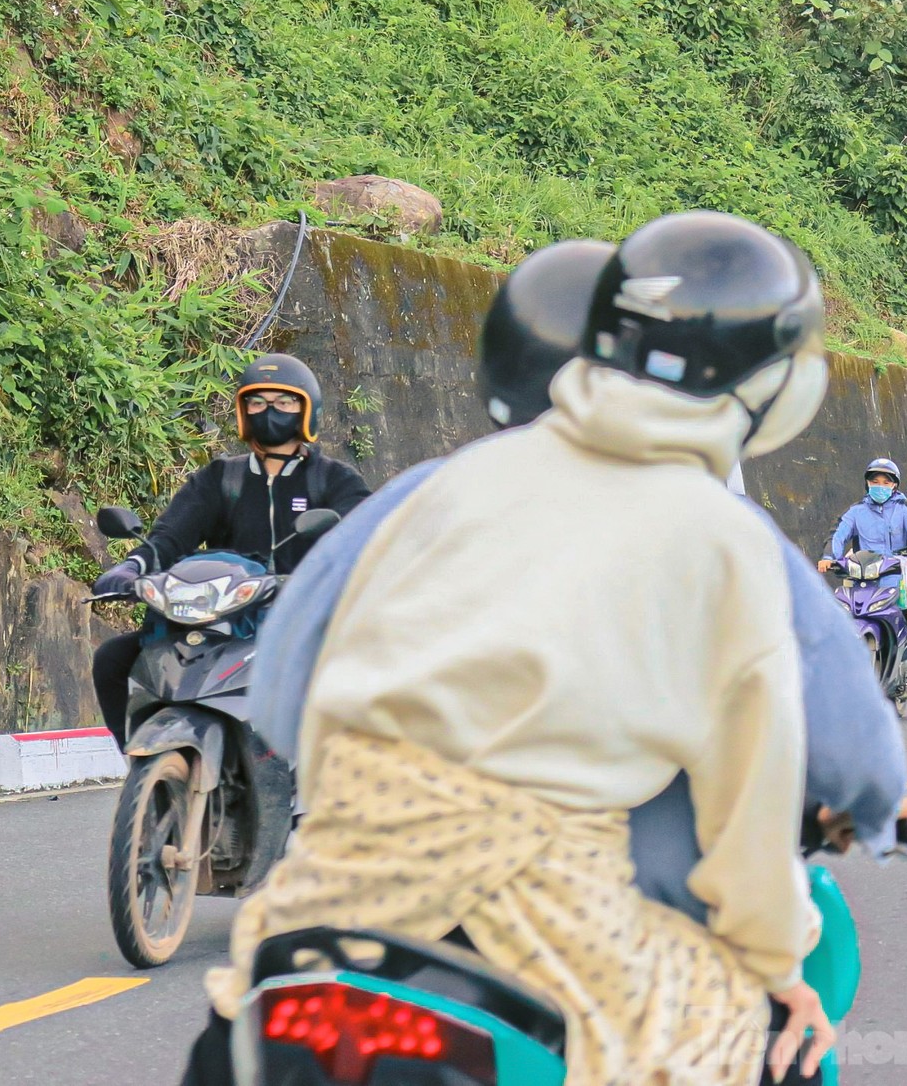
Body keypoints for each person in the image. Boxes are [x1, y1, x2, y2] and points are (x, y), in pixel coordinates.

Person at [197, 211, 842, 1086]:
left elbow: (313, 682)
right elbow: (749, 817)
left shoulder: (452, 486)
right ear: (763, 385)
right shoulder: (722, 535)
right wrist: (777, 967)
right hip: (548, 916)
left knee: (234, 1026)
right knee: (774, 1050)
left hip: (328, 897)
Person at [90, 354, 371, 744]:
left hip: (299, 618)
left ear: (307, 411)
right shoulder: (222, 478)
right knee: (113, 660)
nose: (269, 411)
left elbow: (364, 542)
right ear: (242, 410)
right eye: (258, 402)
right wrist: (133, 566)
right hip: (220, 622)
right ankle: (143, 761)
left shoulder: (333, 481)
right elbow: (171, 537)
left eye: (283, 402)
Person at [823, 457, 907, 687]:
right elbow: (838, 534)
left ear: (895, 485)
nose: (880, 486)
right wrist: (828, 558)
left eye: (886, 482)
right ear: (867, 484)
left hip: (899, 577)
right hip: (862, 579)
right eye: (875, 481)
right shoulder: (856, 511)